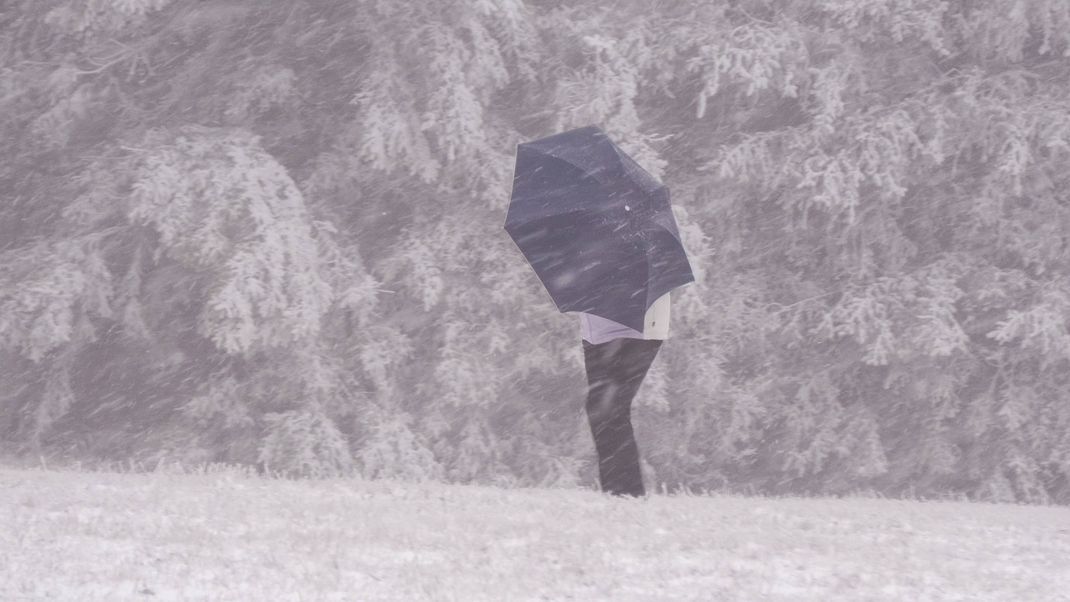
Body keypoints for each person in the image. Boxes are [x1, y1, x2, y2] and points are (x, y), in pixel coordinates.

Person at [579, 292, 670, 497]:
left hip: (635, 327)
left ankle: (626, 492)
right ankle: (618, 491)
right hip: (597, 327)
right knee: (601, 409)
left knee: (609, 408)